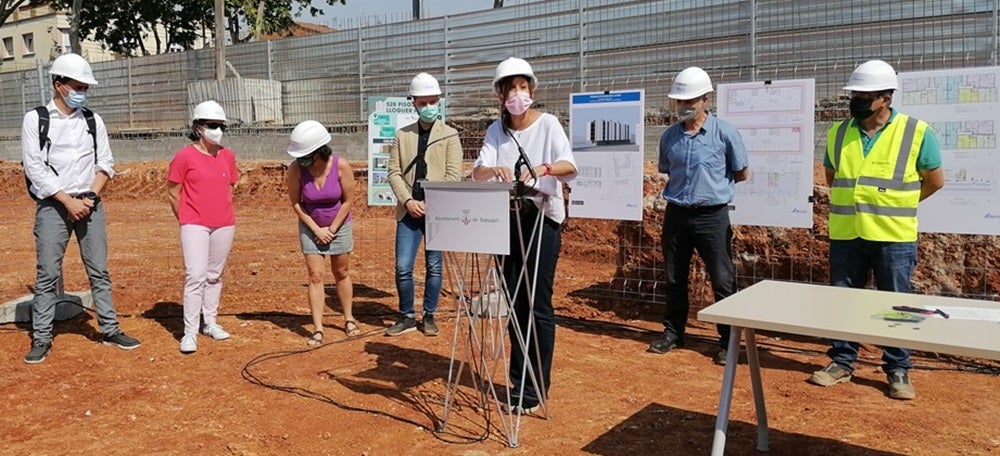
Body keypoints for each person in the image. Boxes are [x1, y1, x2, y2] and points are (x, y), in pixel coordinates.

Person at [808, 59, 944, 400]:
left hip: (893, 237)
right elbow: (832, 177)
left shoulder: (916, 132)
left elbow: (934, 181)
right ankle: (842, 360)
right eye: (855, 94)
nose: (856, 100)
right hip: (846, 232)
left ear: (886, 97)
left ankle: (898, 368)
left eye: (864, 95)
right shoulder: (839, 132)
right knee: (843, 300)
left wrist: (900, 205)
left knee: (896, 305)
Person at [471, 57, 578, 414]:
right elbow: (478, 171)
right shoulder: (495, 131)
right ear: (501, 94)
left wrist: (543, 169)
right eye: (510, 88)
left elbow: (569, 166)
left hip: (541, 220)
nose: (517, 94)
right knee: (515, 303)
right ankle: (520, 382)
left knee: (537, 303)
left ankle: (535, 388)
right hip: (504, 220)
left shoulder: (548, 125)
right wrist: (492, 170)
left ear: (531, 90)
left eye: (522, 87)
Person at [20, 53, 140, 364]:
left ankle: (110, 329)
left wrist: (88, 197)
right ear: (58, 85)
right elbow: (35, 168)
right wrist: (67, 201)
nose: (82, 92)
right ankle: (42, 337)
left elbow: (106, 163)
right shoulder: (36, 119)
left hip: (90, 203)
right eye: (78, 86)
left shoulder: (92, 120)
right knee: (47, 273)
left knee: (99, 271)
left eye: (86, 88)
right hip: (53, 205)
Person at [648, 66, 749, 366]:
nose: (683, 106)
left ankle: (728, 340)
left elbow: (741, 171)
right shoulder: (669, 137)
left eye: (689, 100)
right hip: (677, 213)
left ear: (706, 99)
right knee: (674, 276)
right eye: (679, 101)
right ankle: (674, 332)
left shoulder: (725, 133)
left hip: (712, 216)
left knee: (722, 278)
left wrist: (712, 189)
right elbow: (667, 168)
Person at [384, 72, 463, 337]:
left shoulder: (450, 135)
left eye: (432, 101)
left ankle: (429, 315)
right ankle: (406, 315)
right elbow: (394, 172)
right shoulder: (402, 135)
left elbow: (454, 175)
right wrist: (407, 201)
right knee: (403, 267)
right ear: (413, 103)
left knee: (434, 266)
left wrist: (434, 204)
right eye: (422, 102)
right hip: (408, 211)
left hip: (436, 212)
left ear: (439, 100)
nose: (428, 107)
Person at [167, 100, 239, 354]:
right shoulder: (184, 156)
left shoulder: (227, 156)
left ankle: (210, 322)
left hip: (224, 224)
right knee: (195, 276)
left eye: (221, 126)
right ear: (198, 127)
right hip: (194, 224)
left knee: (214, 275)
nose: (217, 130)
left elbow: (229, 186)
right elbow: (173, 191)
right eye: (212, 125)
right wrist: (186, 219)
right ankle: (190, 331)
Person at [285, 120, 358, 345]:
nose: (302, 159)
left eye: (306, 154)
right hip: (310, 228)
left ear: (319, 151)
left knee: (342, 272)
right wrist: (316, 228)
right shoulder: (296, 169)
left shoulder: (341, 166)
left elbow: (348, 201)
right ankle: (318, 328)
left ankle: (348, 318)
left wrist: (332, 228)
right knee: (315, 276)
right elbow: (296, 203)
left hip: (339, 226)